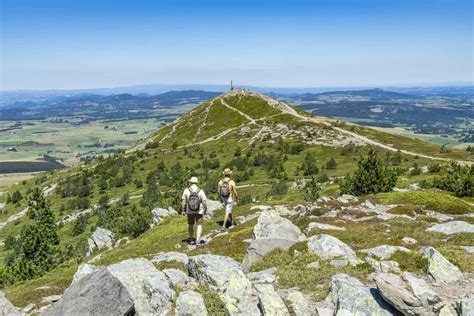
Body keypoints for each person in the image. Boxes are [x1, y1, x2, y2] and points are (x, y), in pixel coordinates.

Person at [181, 176, 208, 245]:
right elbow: (204, 202)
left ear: (190, 182)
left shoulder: (186, 190)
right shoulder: (200, 191)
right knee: (199, 225)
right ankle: (198, 240)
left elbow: (184, 202)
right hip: (199, 211)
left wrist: (183, 211)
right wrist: (205, 210)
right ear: (197, 183)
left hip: (190, 211)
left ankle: (191, 239)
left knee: (190, 225)